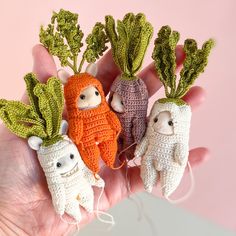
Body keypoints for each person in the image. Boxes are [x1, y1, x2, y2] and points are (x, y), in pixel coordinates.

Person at [0, 44, 209, 235]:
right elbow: (77, 134)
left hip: (109, 136)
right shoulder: (59, 140)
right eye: (83, 97)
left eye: (95, 94)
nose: (93, 99)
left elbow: (112, 119)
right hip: (87, 143)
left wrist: (130, 137)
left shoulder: (127, 109)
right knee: (90, 160)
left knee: (110, 150)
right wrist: (8, 223)